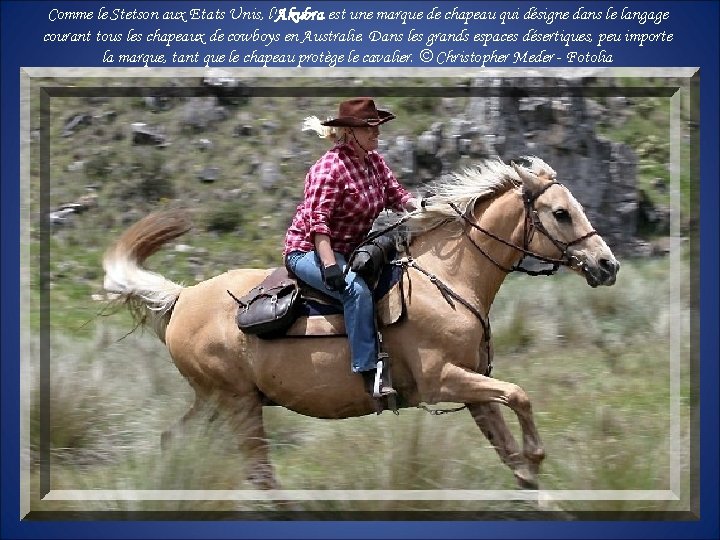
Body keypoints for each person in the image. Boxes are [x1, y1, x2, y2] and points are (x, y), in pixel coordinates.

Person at [283, 98, 419, 398]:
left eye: (376, 127)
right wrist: (330, 266)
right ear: (349, 132)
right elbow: (318, 225)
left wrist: (423, 207)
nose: (376, 133)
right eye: (369, 128)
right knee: (355, 291)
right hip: (309, 250)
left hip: (350, 247)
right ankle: (369, 371)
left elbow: (397, 195)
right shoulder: (328, 170)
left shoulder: (374, 161)